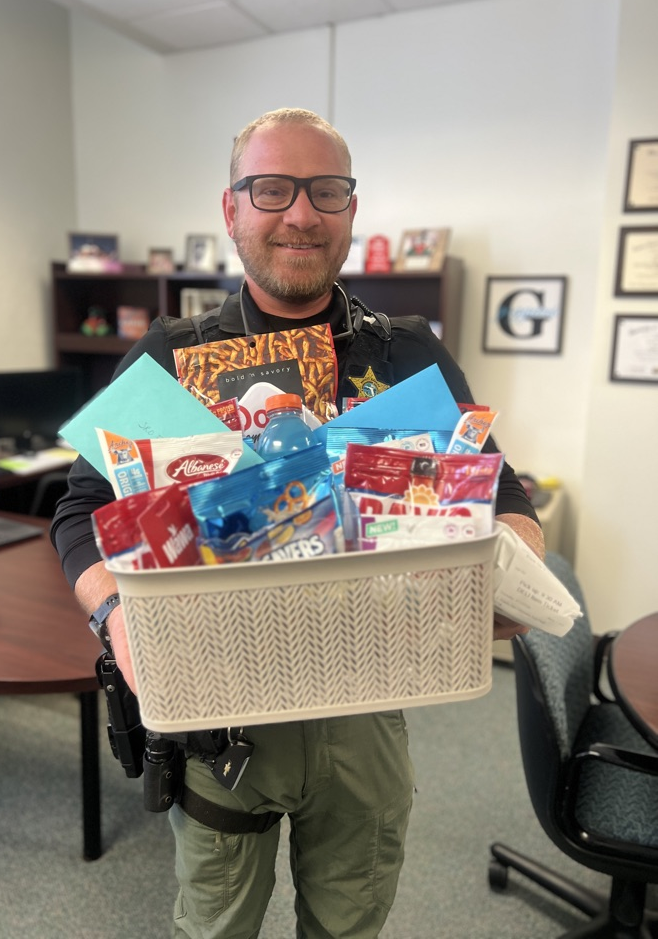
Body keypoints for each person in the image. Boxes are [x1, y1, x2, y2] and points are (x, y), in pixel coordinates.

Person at [51, 107, 543, 939]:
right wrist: (115, 614)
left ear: (352, 210)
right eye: (272, 189)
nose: (301, 214)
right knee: (216, 925)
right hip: (221, 712)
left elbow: (506, 497)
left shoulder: (406, 355)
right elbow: (79, 511)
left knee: (350, 924)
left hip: (370, 707)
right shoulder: (172, 355)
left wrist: (509, 575)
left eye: (326, 191)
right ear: (232, 210)